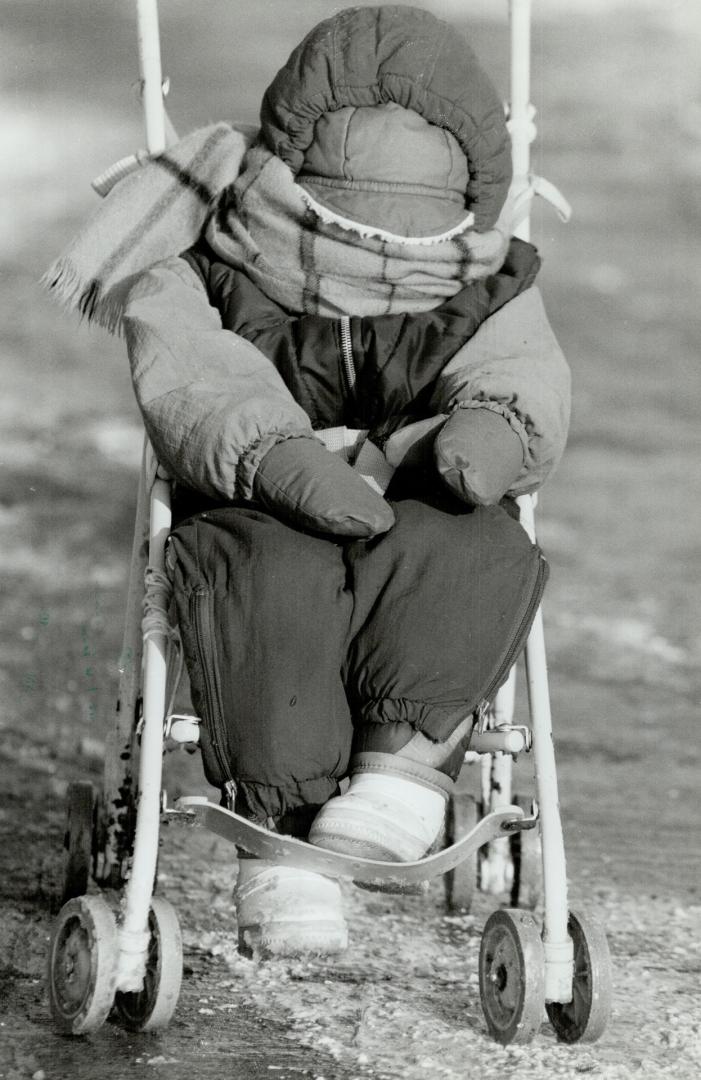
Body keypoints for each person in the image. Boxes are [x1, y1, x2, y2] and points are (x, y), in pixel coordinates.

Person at [86, 5, 571, 957]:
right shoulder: (210, 260)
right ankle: (283, 841)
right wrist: (273, 453)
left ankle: (401, 772)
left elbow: (520, 369)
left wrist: (490, 430)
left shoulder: (485, 282)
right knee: (263, 584)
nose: (375, 261)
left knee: (476, 548)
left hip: (422, 479)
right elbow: (192, 373)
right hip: (255, 493)